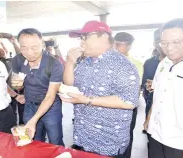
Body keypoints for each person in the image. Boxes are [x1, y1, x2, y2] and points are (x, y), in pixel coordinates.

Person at [60, 20, 140, 157]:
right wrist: (70, 62)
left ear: (103, 37)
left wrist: (86, 100)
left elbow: (129, 101)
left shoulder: (122, 65)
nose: (81, 42)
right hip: (83, 136)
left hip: (107, 142)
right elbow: (70, 85)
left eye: (85, 37)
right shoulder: (86, 62)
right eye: (81, 38)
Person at [144, 18, 183, 158]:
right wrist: (149, 117)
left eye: (176, 42)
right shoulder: (163, 63)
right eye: (164, 43)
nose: (169, 47)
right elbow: (157, 94)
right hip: (156, 136)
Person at [11, 28, 64, 145]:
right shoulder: (17, 60)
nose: (29, 52)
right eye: (23, 47)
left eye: (34, 47)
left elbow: (50, 96)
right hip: (29, 105)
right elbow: (17, 87)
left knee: (55, 139)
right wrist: (17, 85)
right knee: (33, 140)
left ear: (42, 44)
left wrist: (33, 120)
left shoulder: (54, 64)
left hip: (51, 106)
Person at [114, 32, 142, 158]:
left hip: (127, 108)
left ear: (129, 46)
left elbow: (132, 92)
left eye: (120, 45)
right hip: (107, 107)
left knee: (126, 137)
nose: (115, 48)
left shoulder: (136, 65)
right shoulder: (105, 61)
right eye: (114, 44)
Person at [142, 29, 166, 118]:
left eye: (164, 42)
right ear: (154, 44)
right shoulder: (149, 63)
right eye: (158, 42)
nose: (161, 46)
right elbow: (145, 85)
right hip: (152, 106)